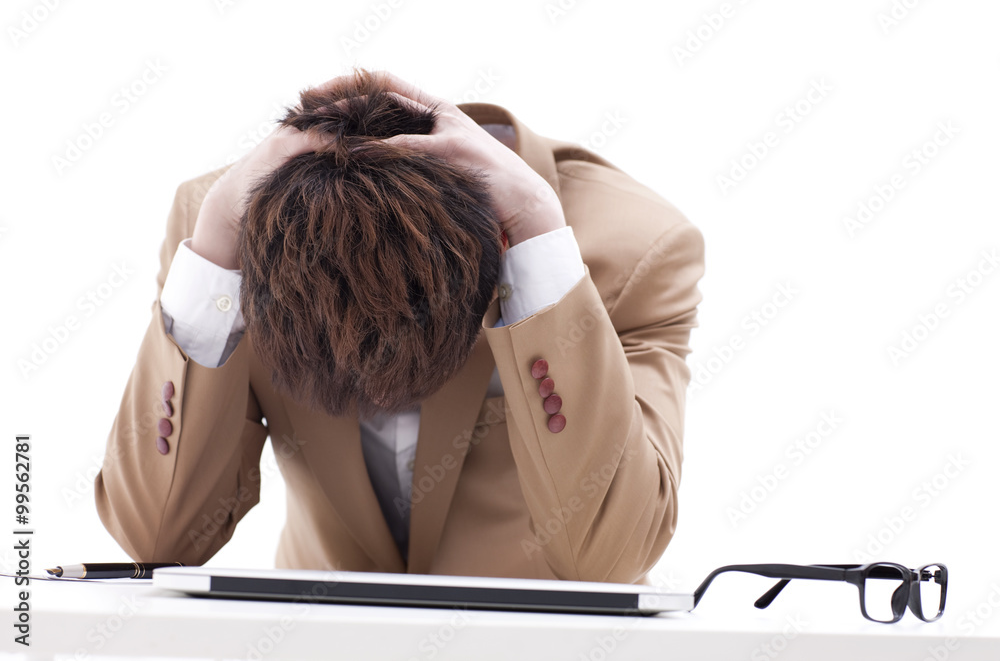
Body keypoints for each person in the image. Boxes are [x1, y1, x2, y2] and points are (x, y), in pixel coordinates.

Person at [94, 68, 705, 585]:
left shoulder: (635, 248)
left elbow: (613, 558)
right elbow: (157, 539)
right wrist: (213, 261)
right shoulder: (230, 233)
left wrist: (539, 248)